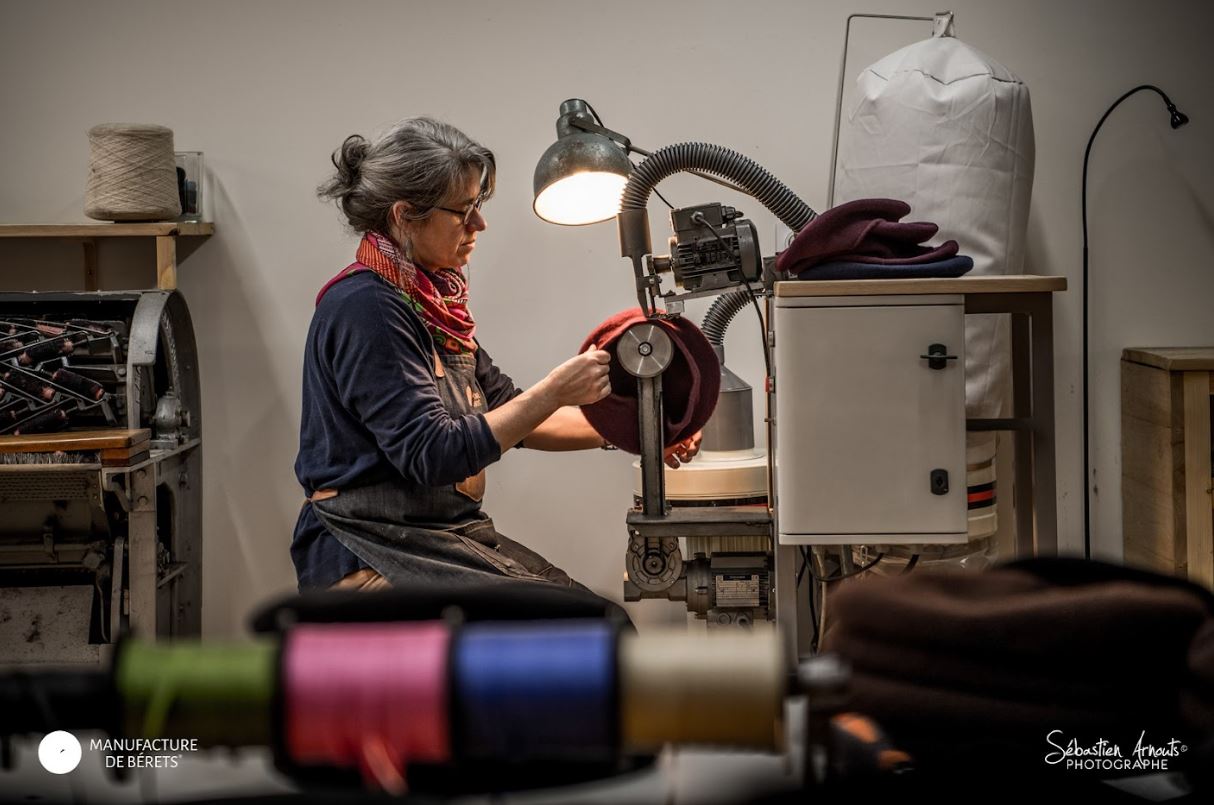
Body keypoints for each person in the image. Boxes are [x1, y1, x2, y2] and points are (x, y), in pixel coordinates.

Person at [292, 117, 700, 592]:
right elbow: (432, 454)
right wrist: (553, 392)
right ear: (405, 216)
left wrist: (643, 431)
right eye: (463, 211)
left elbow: (510, 413)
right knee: (584, 630)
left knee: (588, 617)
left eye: (478, 206)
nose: (479, 225)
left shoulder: (429, 305)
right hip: (371, 548)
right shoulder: (369, 309)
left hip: (434, 537)